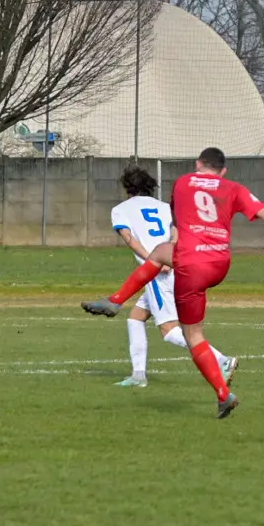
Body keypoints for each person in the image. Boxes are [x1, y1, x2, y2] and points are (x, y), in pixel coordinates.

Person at [82, 147, 264, 418]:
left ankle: (223, 392)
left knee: (192, 335)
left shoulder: (183, 182)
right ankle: (116, 302)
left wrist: (178, 241)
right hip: (219, 264)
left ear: (198, 164)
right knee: (162, 252)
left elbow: (176, 222)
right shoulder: (233, 187)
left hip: (190, 265)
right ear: (223, 171)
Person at [108, 165, 236, 388]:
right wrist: (171, 253)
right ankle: (138, 375)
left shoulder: (120, 209)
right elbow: (178, 231)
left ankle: (223, 360)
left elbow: (129, 238)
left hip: (157, 275)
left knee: (169, 330)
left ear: (127, 188)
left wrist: (154, 259)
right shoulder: (165, 207)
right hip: (178, 265)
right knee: (135, 318)